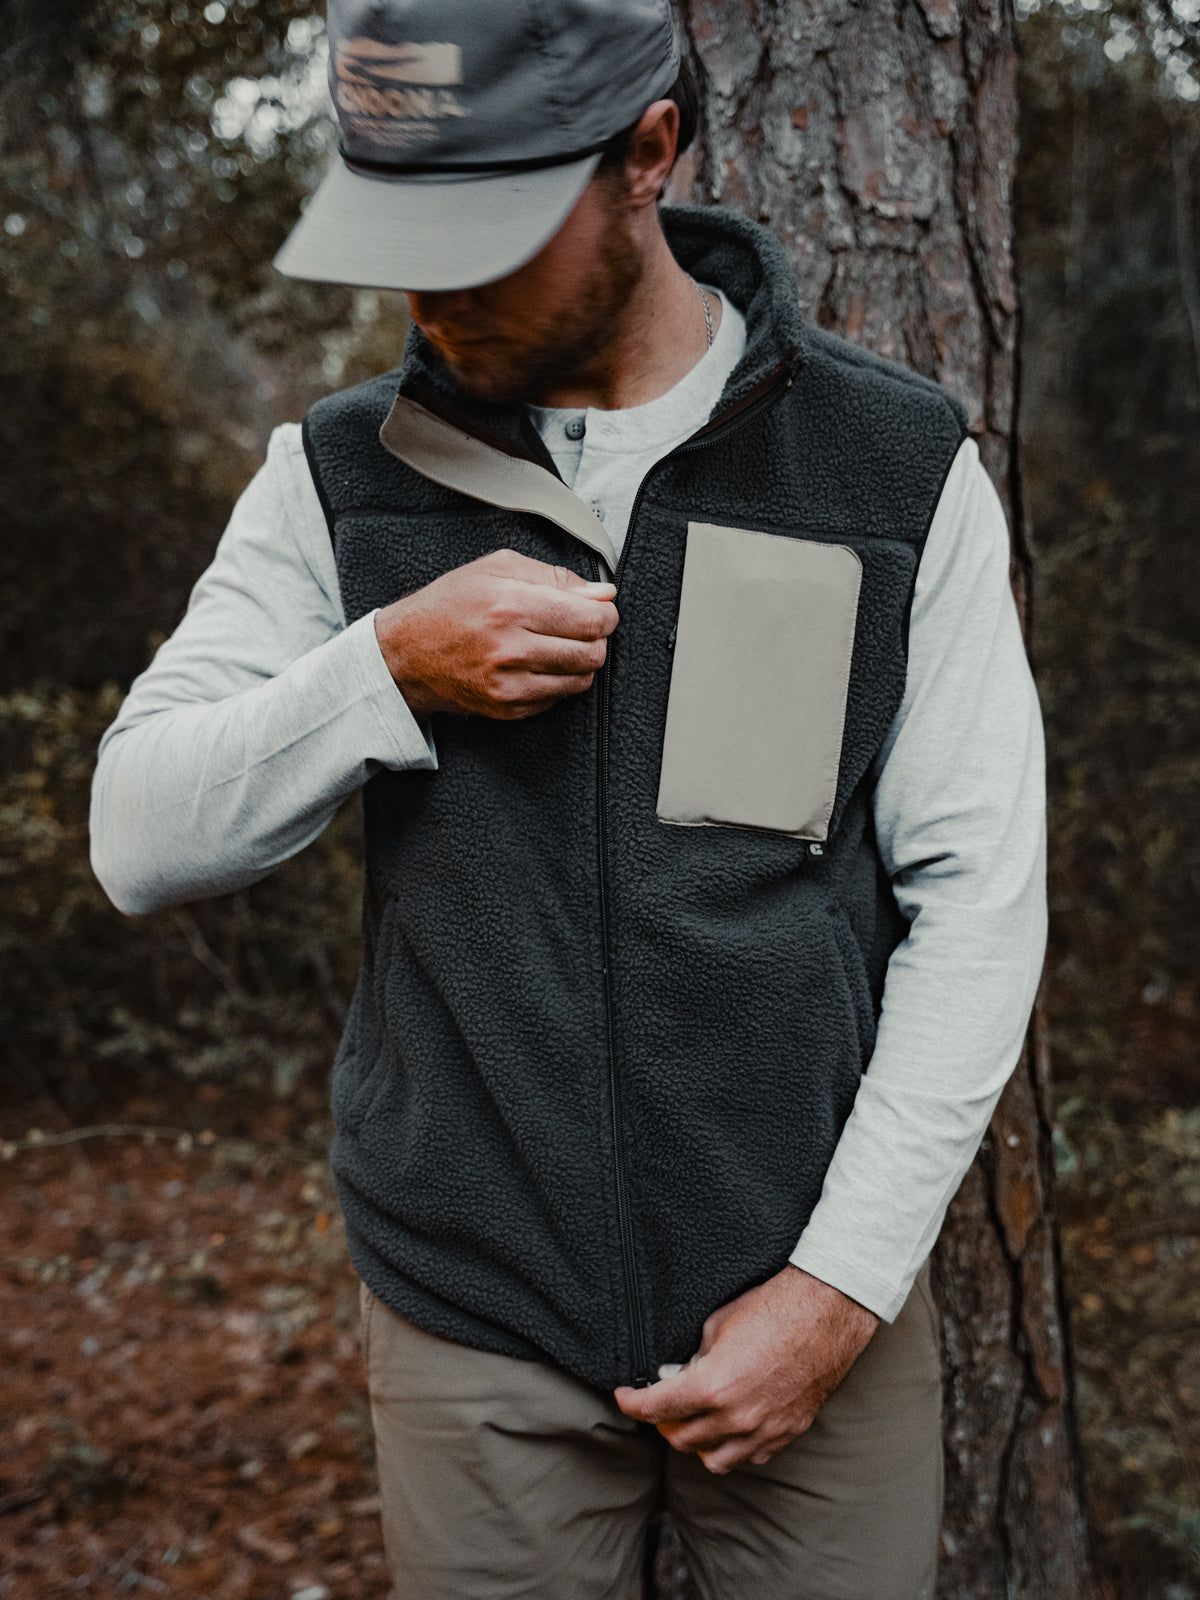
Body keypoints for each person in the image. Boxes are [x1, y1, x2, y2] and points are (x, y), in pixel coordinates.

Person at [89, 1, 1047, 1595]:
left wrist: (839, 1288)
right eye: (402, 242)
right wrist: (386, 669)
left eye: (483, 241)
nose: (431, 297)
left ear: (645, 154)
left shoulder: (891, 467)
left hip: (810, 1302)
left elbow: (980, 903)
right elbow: (137, 834)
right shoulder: (339, 477)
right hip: (473, 1321)